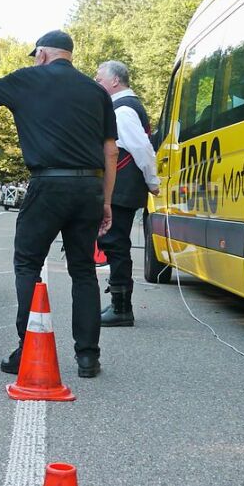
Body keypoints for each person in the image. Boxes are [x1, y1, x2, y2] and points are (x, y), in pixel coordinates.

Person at [0, 29, 118, 378]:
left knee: (27, 264)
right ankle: (87, 357)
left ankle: (28, 347)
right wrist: (106, 201)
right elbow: (110, 151)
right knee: (83, 270)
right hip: (89, 187)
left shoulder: (28, 79)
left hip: (48, 185)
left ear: (42, 54)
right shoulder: (97, 92)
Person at [94, 61, 159, 327]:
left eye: (99, 79)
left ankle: (122, 308)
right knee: (115, 242)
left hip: (122, 185)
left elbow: (143, 149)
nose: (96, 82)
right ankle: (119, 303)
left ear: (115, 81)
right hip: (124, 184)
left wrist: (152, 180)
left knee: (116, 243)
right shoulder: (125, 107)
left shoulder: (122, 110)